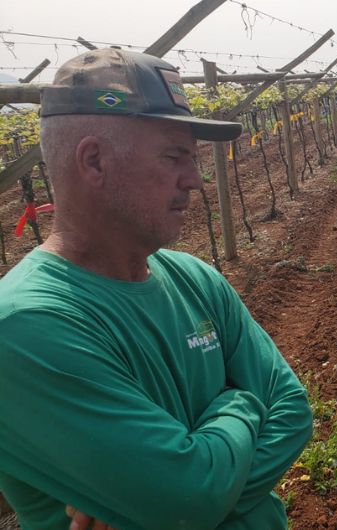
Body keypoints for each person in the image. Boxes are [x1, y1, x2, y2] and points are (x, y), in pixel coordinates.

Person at [0, 48, 312, 530]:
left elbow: (292, 410)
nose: (195, 179)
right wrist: (244, 400)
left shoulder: (195, 277)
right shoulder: (25, 327)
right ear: (94, 161)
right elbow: (189, 498)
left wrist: (172, 505)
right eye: (175, 156)